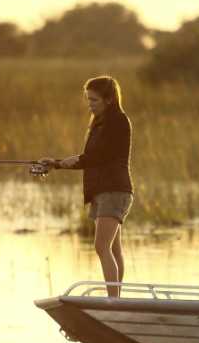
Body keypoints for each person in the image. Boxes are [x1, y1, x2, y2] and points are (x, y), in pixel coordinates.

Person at [34, 75, 134, 298]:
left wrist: (70, 162)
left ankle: (113, 302)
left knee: (102, 247)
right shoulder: (99, 122)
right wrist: (57, 164)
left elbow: (99, 156)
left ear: (109, 99)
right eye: (88, 100)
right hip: (103, 191)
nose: (90, 105)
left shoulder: (117, 121)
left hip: (114, 191)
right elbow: (90, 157)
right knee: (113, 248)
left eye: (94, 100)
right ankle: (116, 299)